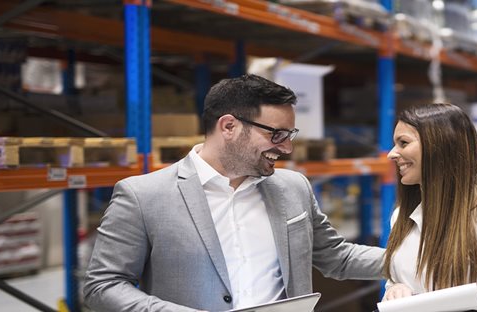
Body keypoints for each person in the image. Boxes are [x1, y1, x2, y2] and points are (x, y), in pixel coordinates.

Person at [84, 74, 384, 312]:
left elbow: (337, 257)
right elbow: (103, 285)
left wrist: (421, 258)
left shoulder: (293, 187)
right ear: (229, 126)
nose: (287, 148)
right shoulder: (144, 196)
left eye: (290, 136)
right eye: (275, 135)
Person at [381, 103, 477, 312]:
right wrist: (395, 289)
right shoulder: (401, 218)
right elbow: (396, 282)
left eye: (403, 143)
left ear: (440, 146)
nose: (392, 154)